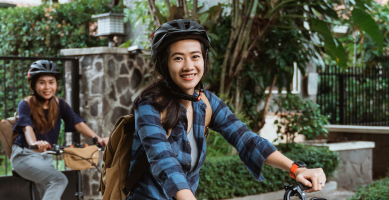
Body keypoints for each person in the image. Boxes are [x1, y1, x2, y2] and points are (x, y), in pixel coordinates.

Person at [127, 19, 327, 200]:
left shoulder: (206, 102)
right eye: (178, 58)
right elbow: (164, 162)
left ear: (203, 60)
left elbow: (246, 140)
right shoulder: (148, 105)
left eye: (195, 56)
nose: (189, 66)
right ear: (165, 64)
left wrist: (296, 169)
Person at [10, 60, 109, 200]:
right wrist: (35, 143)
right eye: (42, 82)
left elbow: (76, 122)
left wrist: (97, 138)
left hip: (46, 156)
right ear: (32, 84)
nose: (47, 87)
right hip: (25, 156)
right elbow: (27, 128)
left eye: (51, 82)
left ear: (56, 84)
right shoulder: (25, 104)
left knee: (49, 194)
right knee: (59, 180)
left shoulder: (59, 104)